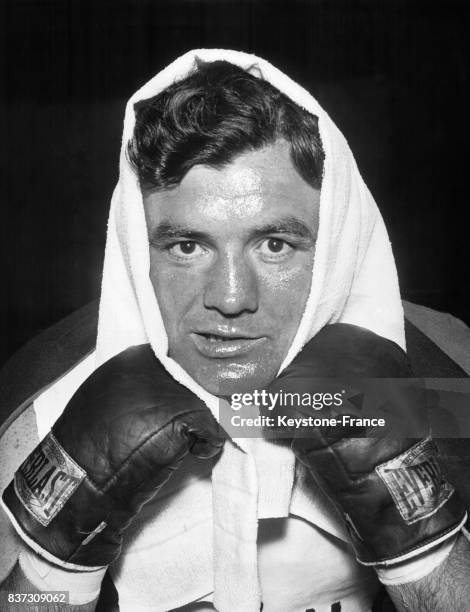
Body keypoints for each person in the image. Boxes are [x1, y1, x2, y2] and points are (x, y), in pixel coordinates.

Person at [1, 50, 470, 612]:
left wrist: (416, 536)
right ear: (134, 243)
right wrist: (56, 563)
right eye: (187, 246)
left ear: (336, 243)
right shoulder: (50, 402)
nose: (229, 299)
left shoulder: (444, 371)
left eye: (275, 245)